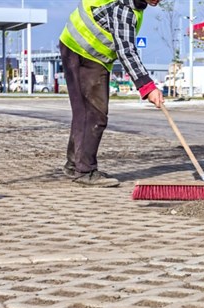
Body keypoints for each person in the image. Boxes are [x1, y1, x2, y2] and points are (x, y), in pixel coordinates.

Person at [59, 0, 164, 186]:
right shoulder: (125, 9)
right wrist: (147, 86)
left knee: (83, 113)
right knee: (94, 115)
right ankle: (84, 171)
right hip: (85, 53)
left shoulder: (133, 6)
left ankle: (75, 164)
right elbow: (126, 52)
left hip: (76, 47)